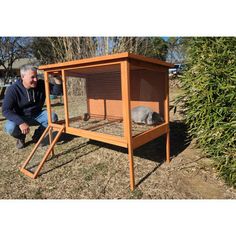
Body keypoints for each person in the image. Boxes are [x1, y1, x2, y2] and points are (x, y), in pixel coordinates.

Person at [2, 64, 63, 149]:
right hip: (20, 117)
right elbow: (5, 110)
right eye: (32, 77)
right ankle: (21, 137)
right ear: (23, 77)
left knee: (52, 117)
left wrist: (56, 77)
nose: (36, 79)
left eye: (36, 76)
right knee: (10, 127)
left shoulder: (41, 84)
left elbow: (58, 92)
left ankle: (37, 136)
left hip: (37, 115)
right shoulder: (13, 89)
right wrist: (21, 122)